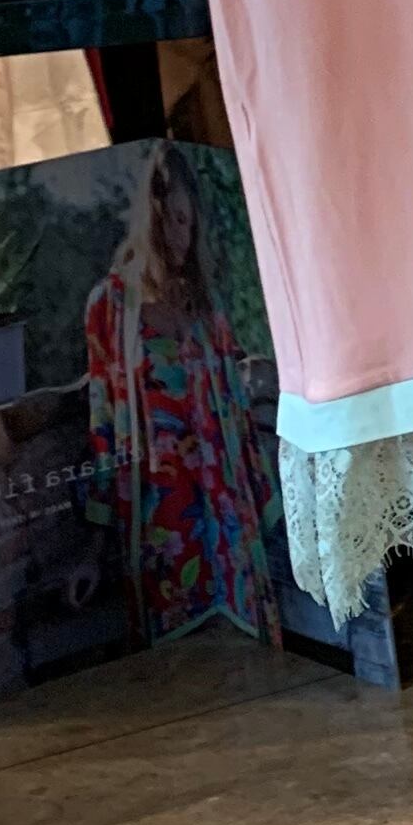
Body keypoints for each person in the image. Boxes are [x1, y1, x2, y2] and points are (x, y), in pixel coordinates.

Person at [85, 143, 287, 646]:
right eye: (172, 221)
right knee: (181, 659)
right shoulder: (111, 306)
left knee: (247, 648)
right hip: (159, 515)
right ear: (149, 219)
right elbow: (103, 421)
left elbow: (236, 411)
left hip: (226, 507)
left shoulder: (205, 302)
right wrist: (94, 545)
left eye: (188, 223)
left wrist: (270, 509)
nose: (181, 236)